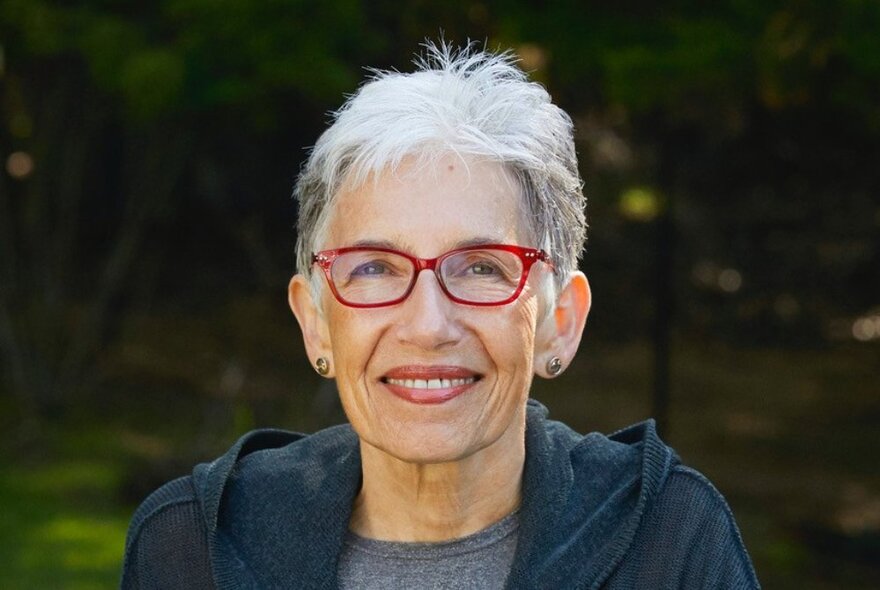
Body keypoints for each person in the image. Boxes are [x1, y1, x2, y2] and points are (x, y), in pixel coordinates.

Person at [121, 42, 760, 589]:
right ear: (315, 321)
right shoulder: (190, 551)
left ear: (560, 317)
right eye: (373, 267)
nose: (428, 326)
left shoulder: (670, 545)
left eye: (482, 267)